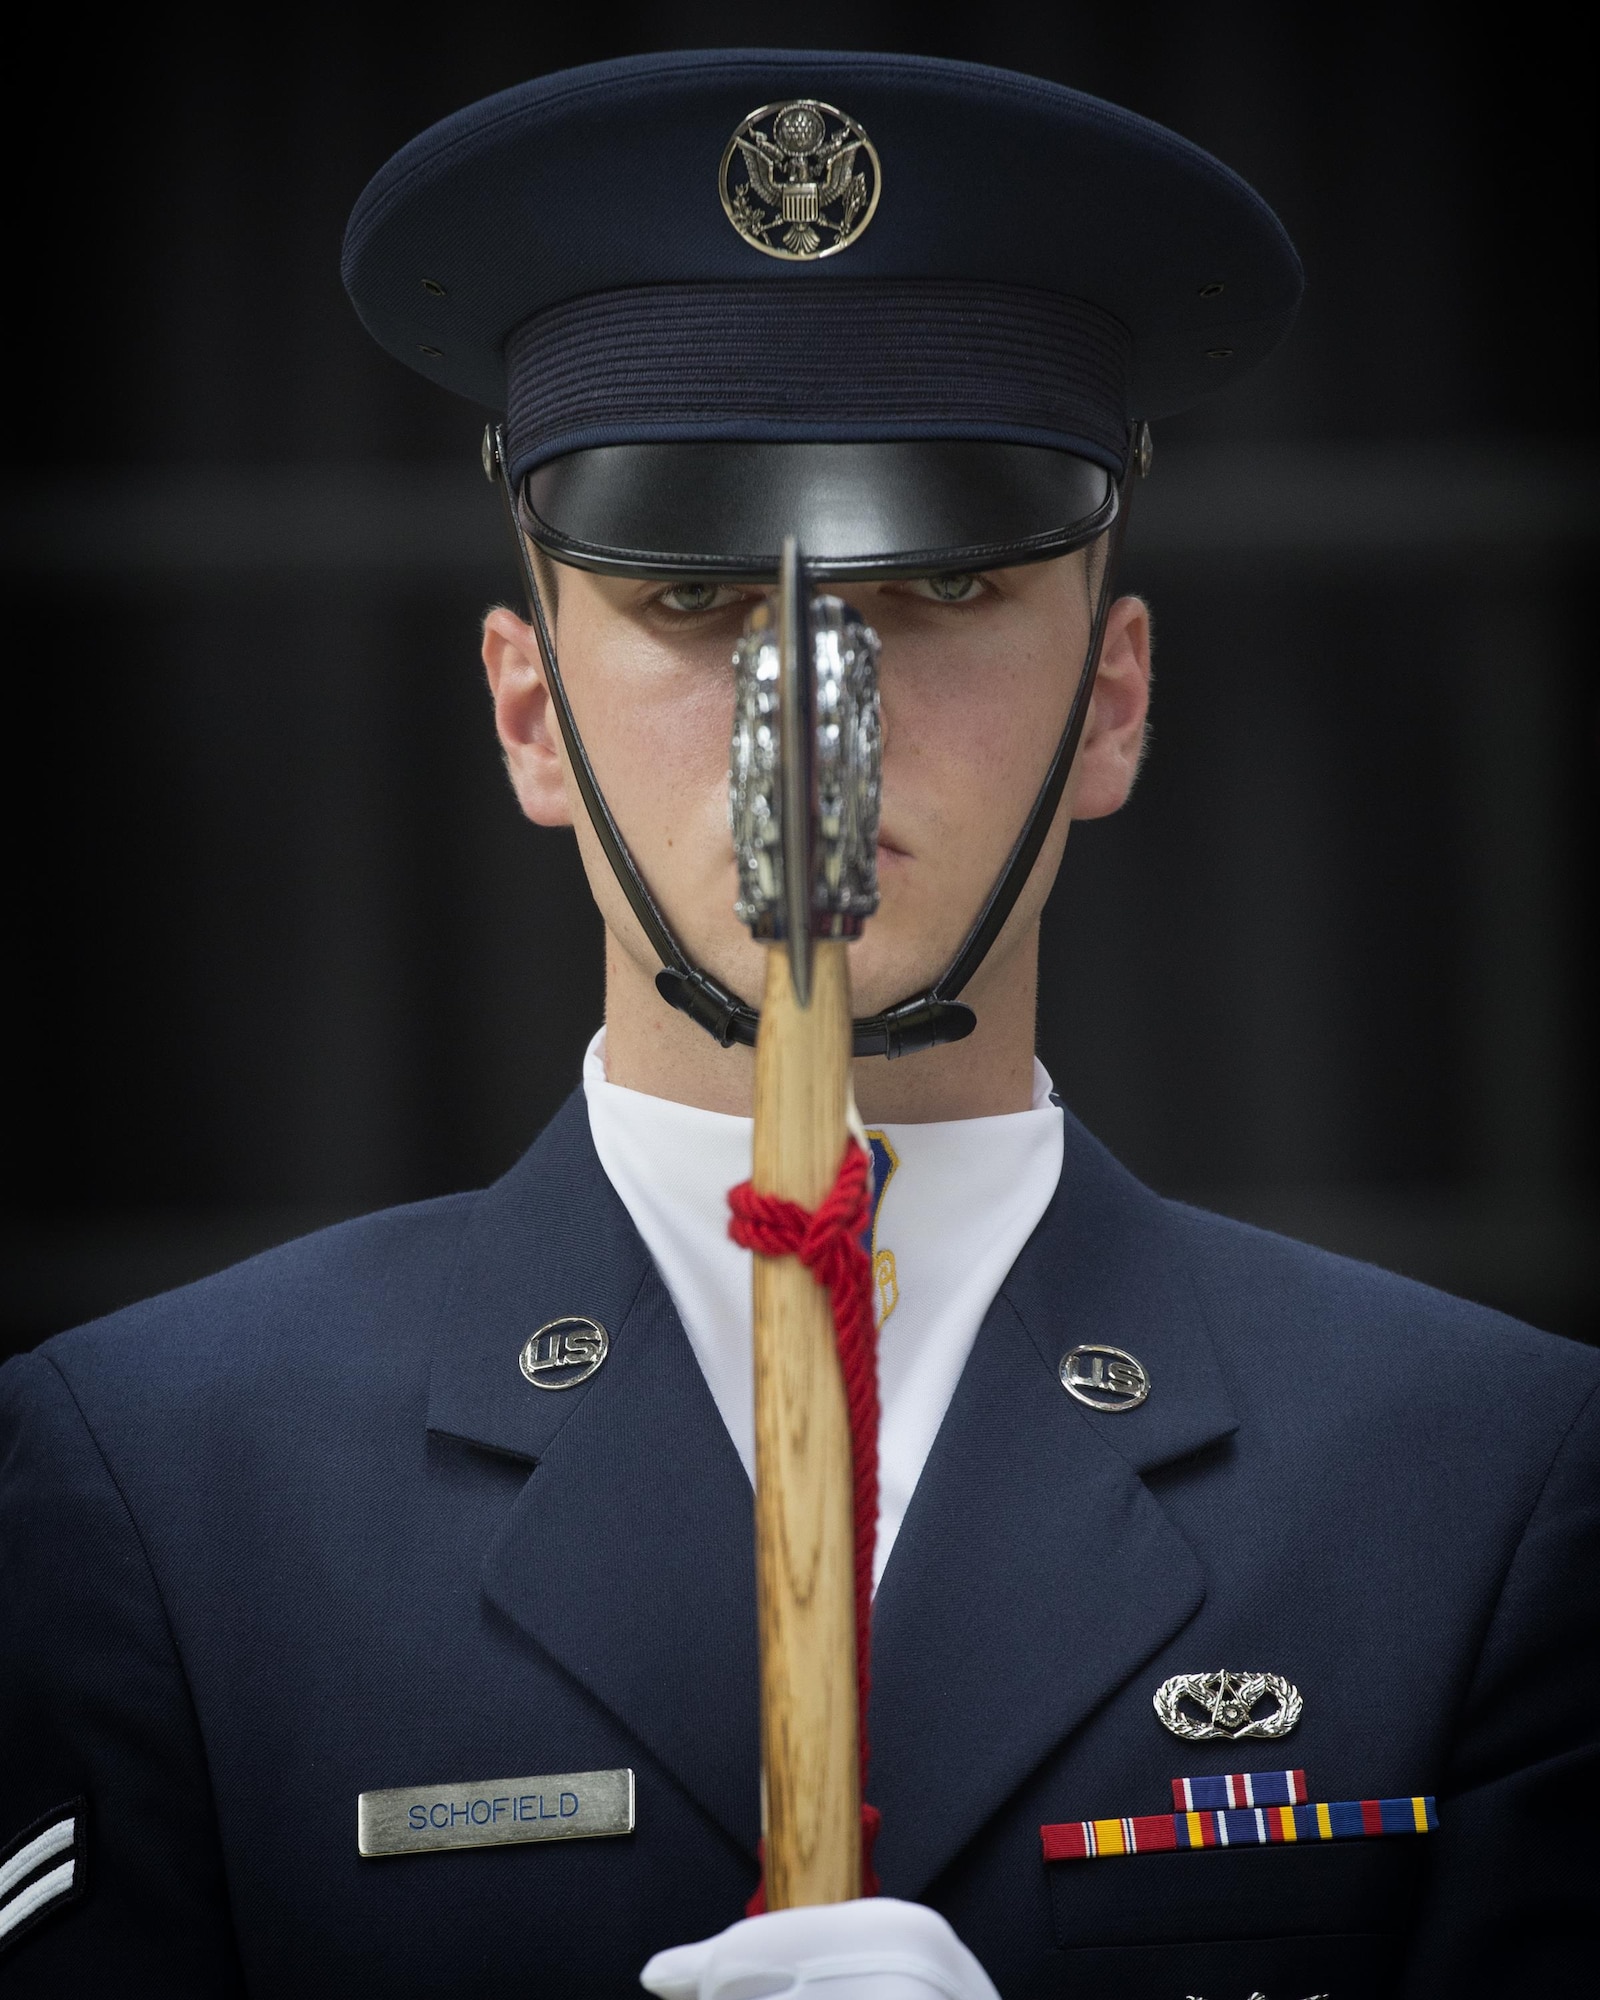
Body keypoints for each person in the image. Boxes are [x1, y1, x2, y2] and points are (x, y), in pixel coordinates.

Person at [1, 49, 1593, 2000]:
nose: (812, 692)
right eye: (684, 596)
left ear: (1107, 696)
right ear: (525, 709)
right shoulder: (169, 1483)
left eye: (938, 576)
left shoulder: (1475, 1482)